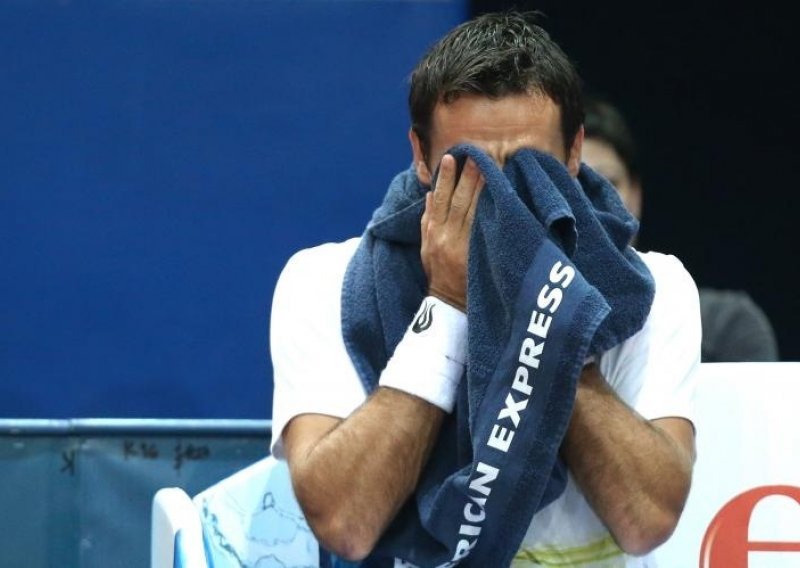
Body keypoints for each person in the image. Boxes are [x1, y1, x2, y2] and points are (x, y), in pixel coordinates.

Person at [269, 12, 701, 566]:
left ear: (574, 153)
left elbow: (647, 520)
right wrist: (446, 304)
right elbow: (345, 524)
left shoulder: (654, 288)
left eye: (528, 167)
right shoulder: (322, 281)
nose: (503, 197)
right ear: (421, 157)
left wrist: (553, 313)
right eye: (471, 165)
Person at [582, 95, 779, 363]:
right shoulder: (527, 331)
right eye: (575, 184)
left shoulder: (724, 327)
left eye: (609, 183)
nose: (593, 204)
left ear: (636, 195)